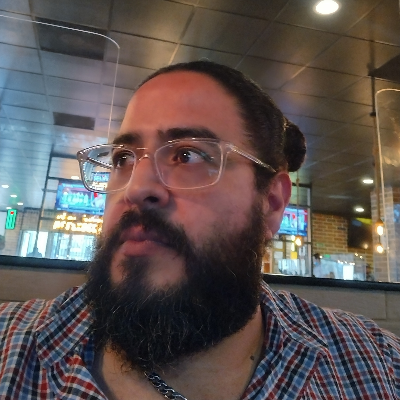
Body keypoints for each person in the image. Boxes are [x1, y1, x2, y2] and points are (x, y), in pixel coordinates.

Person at [0, 60, 399, 400]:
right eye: (123, 158)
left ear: (272, 203)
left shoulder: (376, 366)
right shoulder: (11, 348)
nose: (136, 188)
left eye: (187, 155)